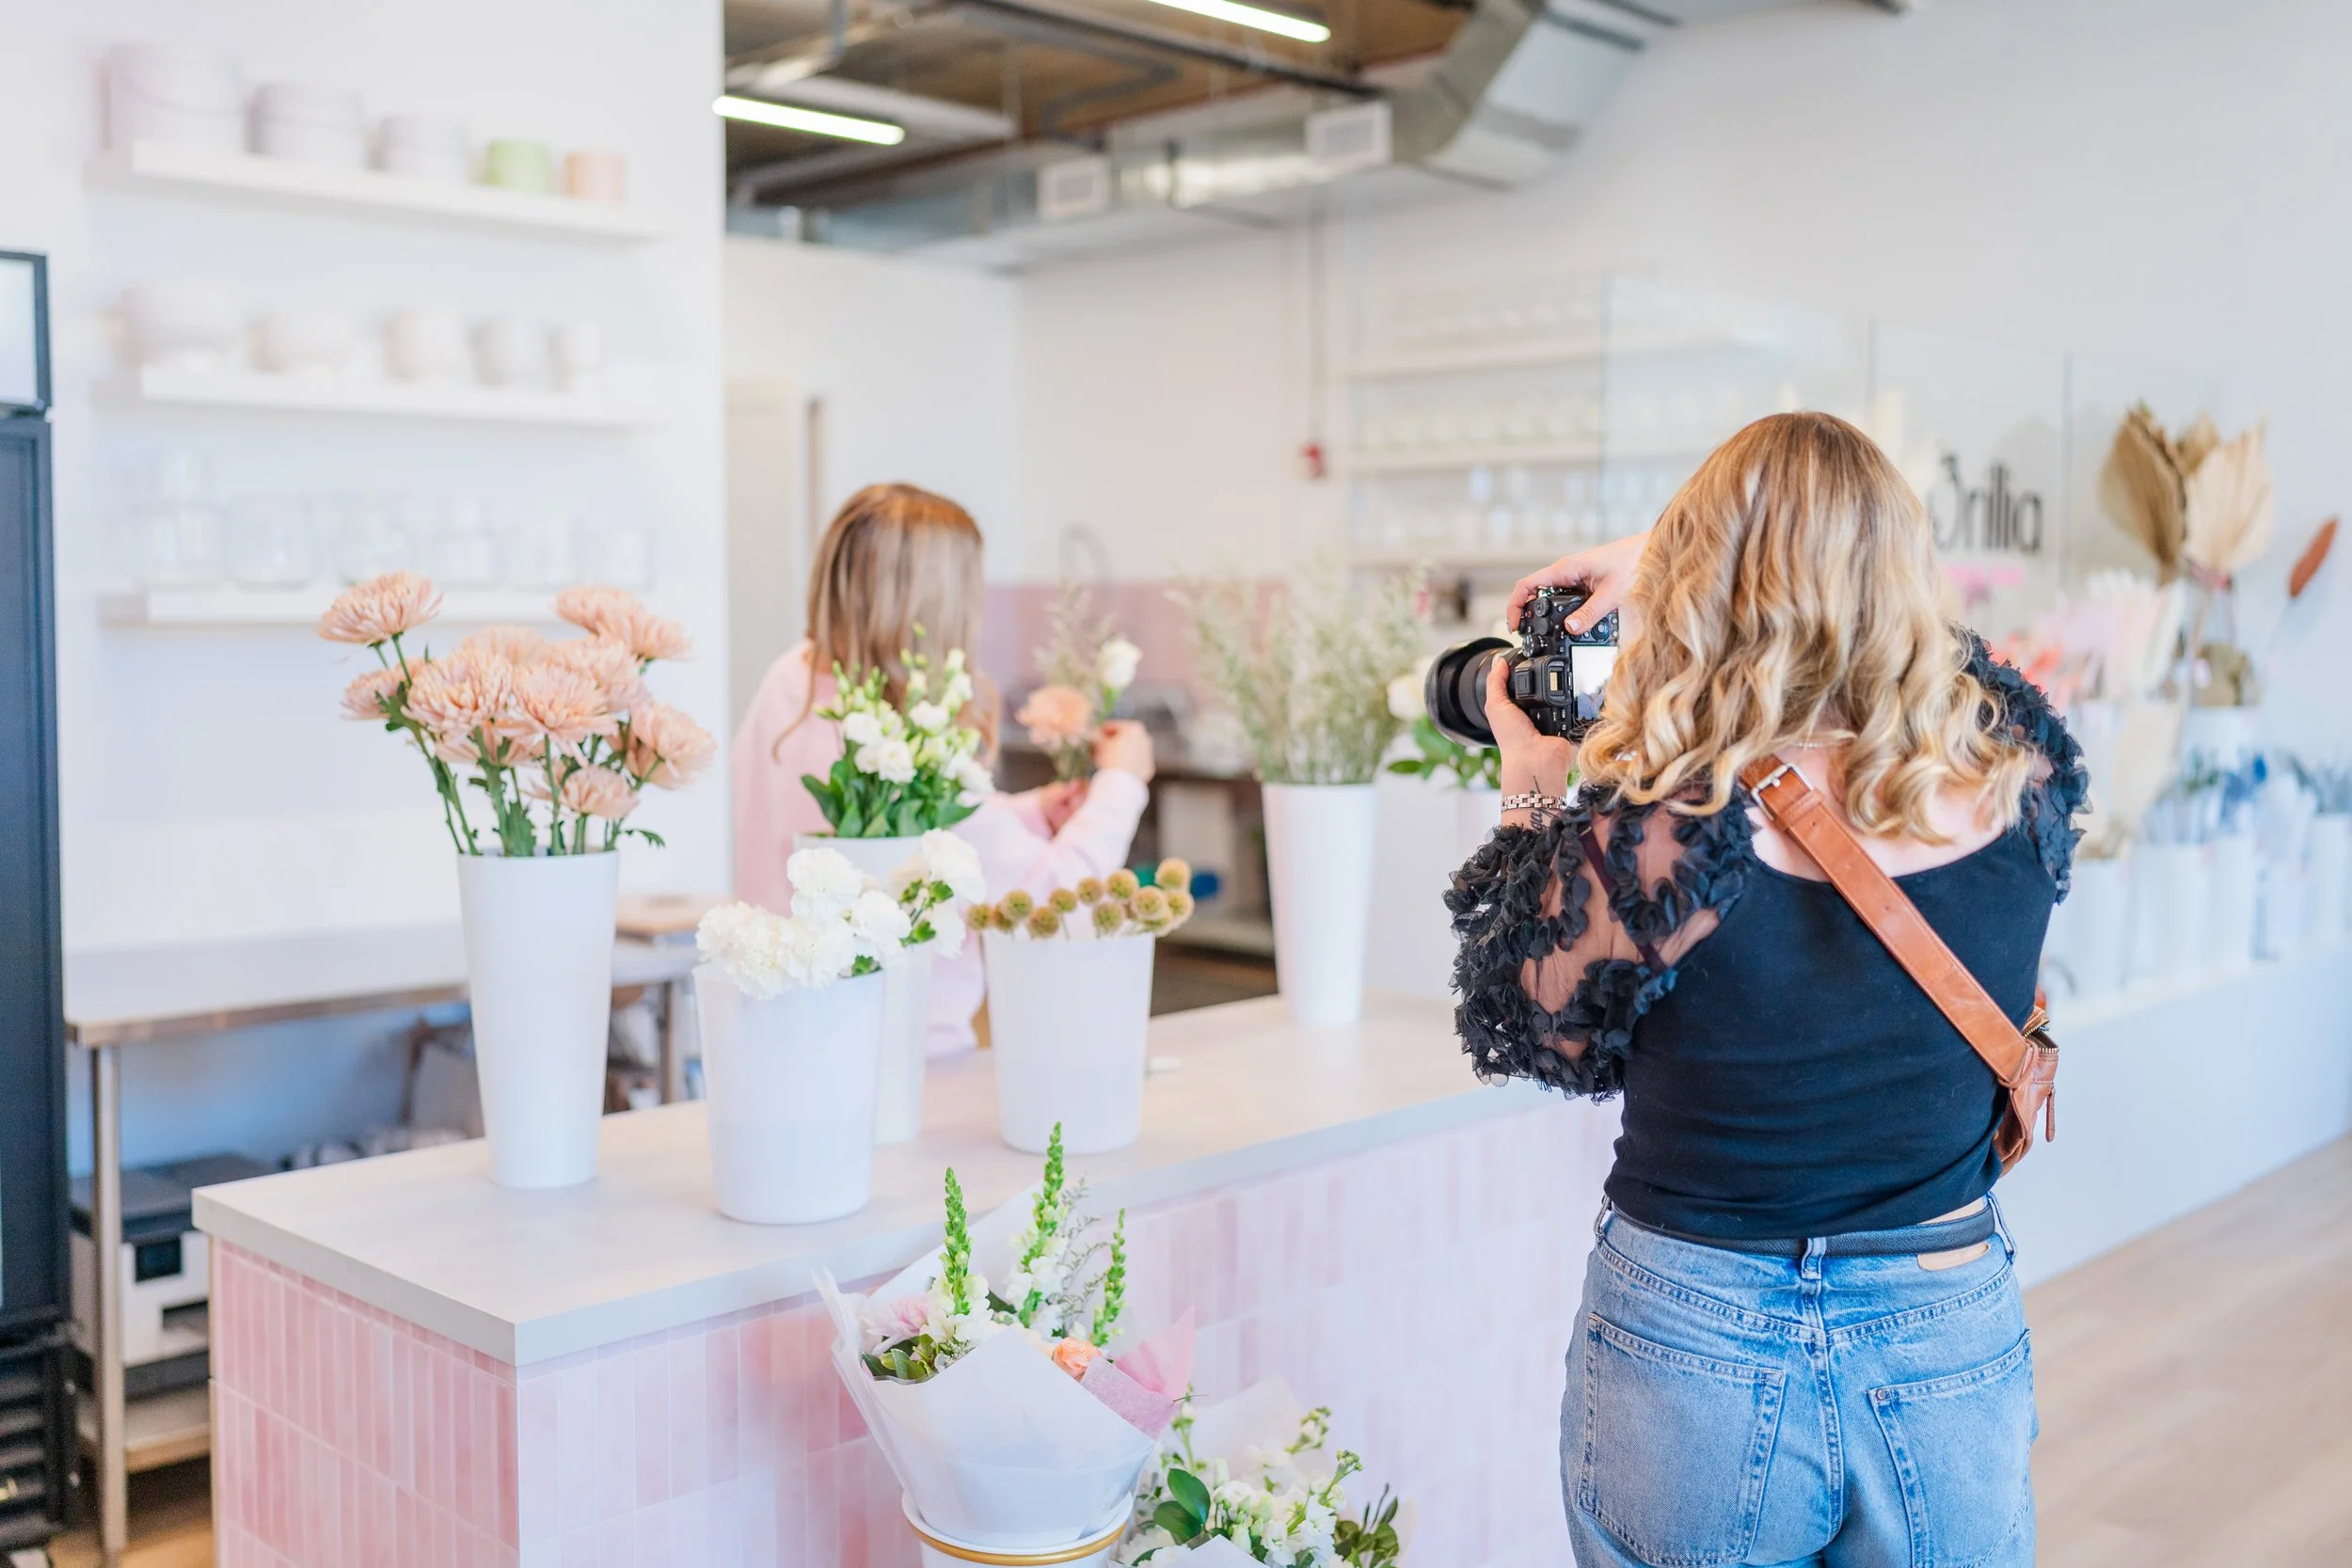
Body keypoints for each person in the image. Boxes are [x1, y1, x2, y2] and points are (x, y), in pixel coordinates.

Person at [1450, 413, 2085, 1568]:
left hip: (1696, 1334)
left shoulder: (1661, 834)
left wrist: (1535, 784)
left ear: (1705, 582)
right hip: (1943, 1319)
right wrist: (1734, 548)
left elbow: (1532, 1026)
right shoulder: (2017, 771)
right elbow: (1967, 666)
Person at [733, 482, 1155, 1053]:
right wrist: (1123, 783)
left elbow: (896, 837)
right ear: (940, 607)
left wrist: (1029, 811)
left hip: (782, 1030)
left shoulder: (796, 681)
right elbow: (1052, 900)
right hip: (907, 1058)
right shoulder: (909, 740)